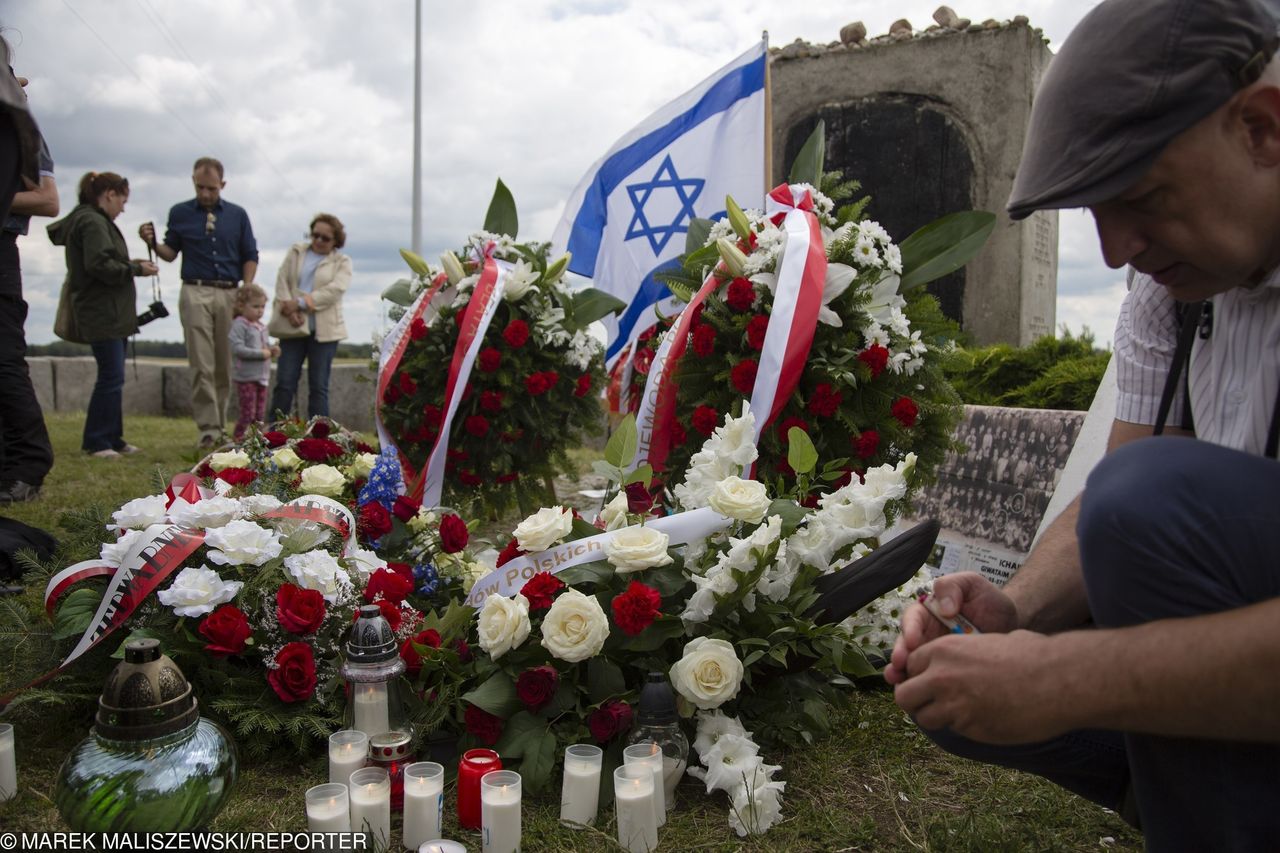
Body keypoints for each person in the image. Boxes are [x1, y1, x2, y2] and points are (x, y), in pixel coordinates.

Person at [885, 0, 1280, 849]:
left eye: (1141, 196)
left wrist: (1069, 678)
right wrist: (1014, 614)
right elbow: (1118, 506)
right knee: (955, 686)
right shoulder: (1169, 296)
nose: (1114, 251)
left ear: (1261, 130)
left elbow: (1155, 503)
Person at [140, 157, 258, 449]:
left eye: (211, 189)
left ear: (223, 185)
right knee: (201, 362)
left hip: (230, 292)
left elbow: (250, 254)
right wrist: (152, 243)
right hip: (195, 290)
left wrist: (246, 289)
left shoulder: (237, 214)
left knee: (223, 363)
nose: (205, 194)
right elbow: (170, 253)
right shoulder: (179, 212)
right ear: (193, 182)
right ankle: (209, 429)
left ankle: (221, 427)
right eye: (200, 187)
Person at [46, 173, 158, 458]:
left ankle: (112, 437)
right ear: (109, 194)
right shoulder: (93, 221)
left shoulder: (94, 221)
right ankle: (97, 440)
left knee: (114, 376)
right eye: (122, 200)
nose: (123, 208)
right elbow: (99, 265)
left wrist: (132, 265)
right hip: (102, 313)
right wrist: (136, 270)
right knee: (110, 376)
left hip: (110, 314)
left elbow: (103, 260)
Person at [0, 41, 55, 503]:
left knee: (3, 360)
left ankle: (27, 465)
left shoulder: (18, 127)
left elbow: (47, 197)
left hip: (1, 248)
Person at [268, 213, 350, 420]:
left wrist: (302, 304)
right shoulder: (296, 252)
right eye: (315, 235)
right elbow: (282, 280)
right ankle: (273, 434)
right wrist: (290, 309)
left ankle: (319, 439)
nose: (318, 241)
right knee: (285, 383)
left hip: (324, 333)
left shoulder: (342, 262)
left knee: (319, 386)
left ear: (336, 241)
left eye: (325, 238)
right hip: (291, 327)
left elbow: (335, 290)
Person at [228, 283, 278, 442]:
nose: (260, 310)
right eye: (256, 306)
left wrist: (272, 350)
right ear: (242, 305)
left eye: (263, 306)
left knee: (259, 414)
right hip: (246, 377)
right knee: (247, 413)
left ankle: (256, 440)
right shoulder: (239, 324)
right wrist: (262, 354)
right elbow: (238, 349)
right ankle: (238, 438)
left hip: (262, 377)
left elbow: (264, 347)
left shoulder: (262, 326)